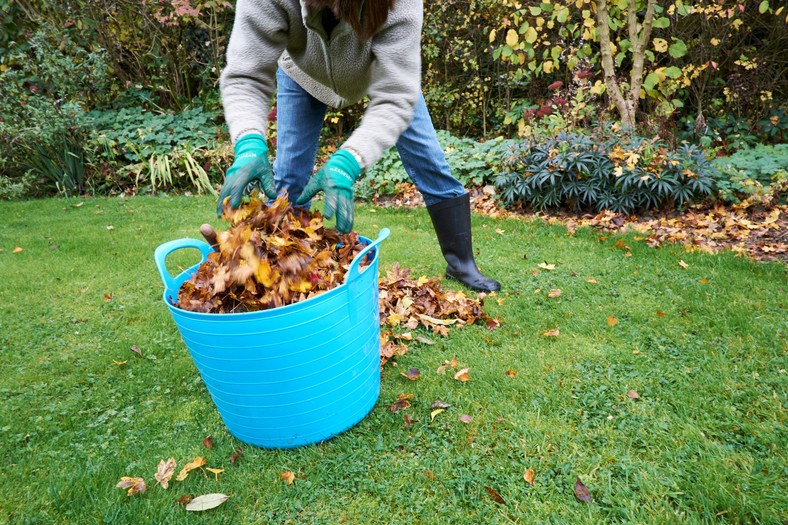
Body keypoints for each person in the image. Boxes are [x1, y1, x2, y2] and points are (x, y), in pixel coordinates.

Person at [217, 0, 500, 292]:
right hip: (301, 74)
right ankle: (289, 269)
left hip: (382, 75)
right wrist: (249, 141)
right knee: (290, 176)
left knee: (428, 159)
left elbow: (396, 95)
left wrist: (348, 162)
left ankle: (462, 264)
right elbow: (246, 73)